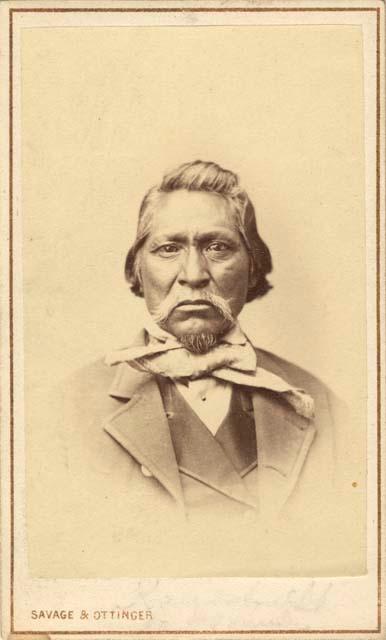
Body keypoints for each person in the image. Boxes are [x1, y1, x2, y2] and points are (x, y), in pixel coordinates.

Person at [28, 160, 364, 578]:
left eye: (217, 247)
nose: (194, 275)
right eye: (169, 248)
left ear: (253, 266)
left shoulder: (321, 406)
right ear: (137, 268)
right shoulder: (60, 417)